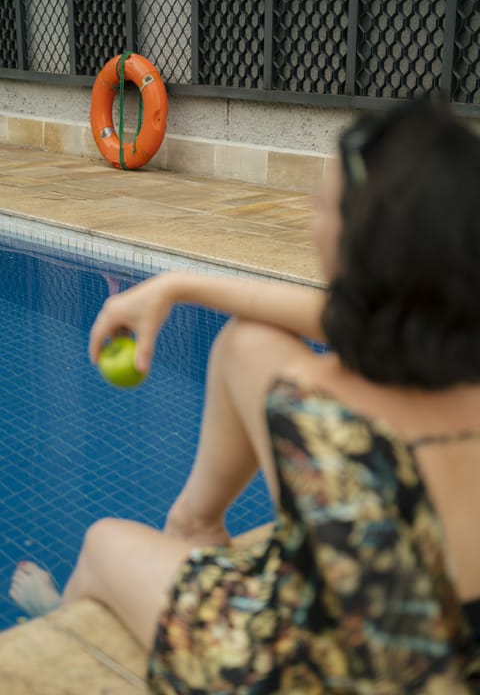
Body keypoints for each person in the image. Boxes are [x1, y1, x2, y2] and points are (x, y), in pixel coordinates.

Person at [10, 96, 480, 693]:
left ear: (361, 241)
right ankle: (195, 525)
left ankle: (65, 623)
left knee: (105, 544)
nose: (312, 218)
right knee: (250, 340)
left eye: (323, 205)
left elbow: (336, 328)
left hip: (316, 673)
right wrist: (176, 284)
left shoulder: (320, 414)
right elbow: (338, 320)